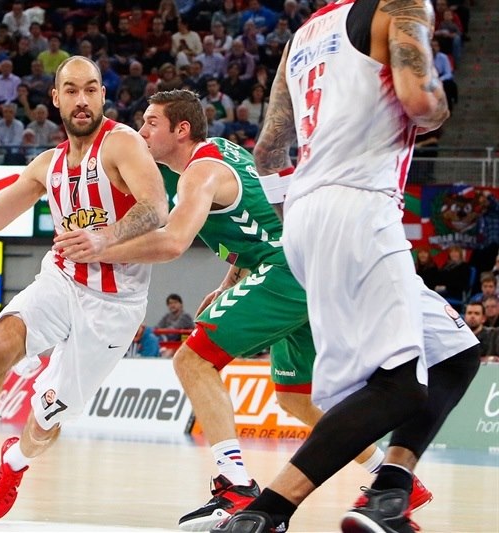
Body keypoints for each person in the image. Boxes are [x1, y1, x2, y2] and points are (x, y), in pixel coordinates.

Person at [56, 89, 477, 531]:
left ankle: (235, 485)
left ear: (181, 130)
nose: (141, 132)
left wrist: (101, 246)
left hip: (286, 271)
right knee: (294, 395)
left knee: (192, 359)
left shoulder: (200, 172)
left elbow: (173, 242)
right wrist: (228, 283)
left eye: (151, 123)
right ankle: (389, 477)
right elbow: (259, 223)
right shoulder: (225, 152)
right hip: (301, 267)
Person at [216, 1, 475, 531]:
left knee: (455, 353)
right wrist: (439, 99)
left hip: (305, 213)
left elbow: (268, 151)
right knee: (400, 386)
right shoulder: (403, 6)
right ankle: (266, 514)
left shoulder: (304, 35)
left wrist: (300, 221)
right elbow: (421, 102)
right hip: (359, 205)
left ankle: (389, 491)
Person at [0, 56, 167, 519]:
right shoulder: (48, 164)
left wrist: (104, 238)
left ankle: (14, 462)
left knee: (46, 420)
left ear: (103, 95)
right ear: (55, 98)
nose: (81, 100)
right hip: (61, 280)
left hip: (115, 303)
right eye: (71, 90)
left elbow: (156, 207)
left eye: (91, 89)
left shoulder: (122, 144)